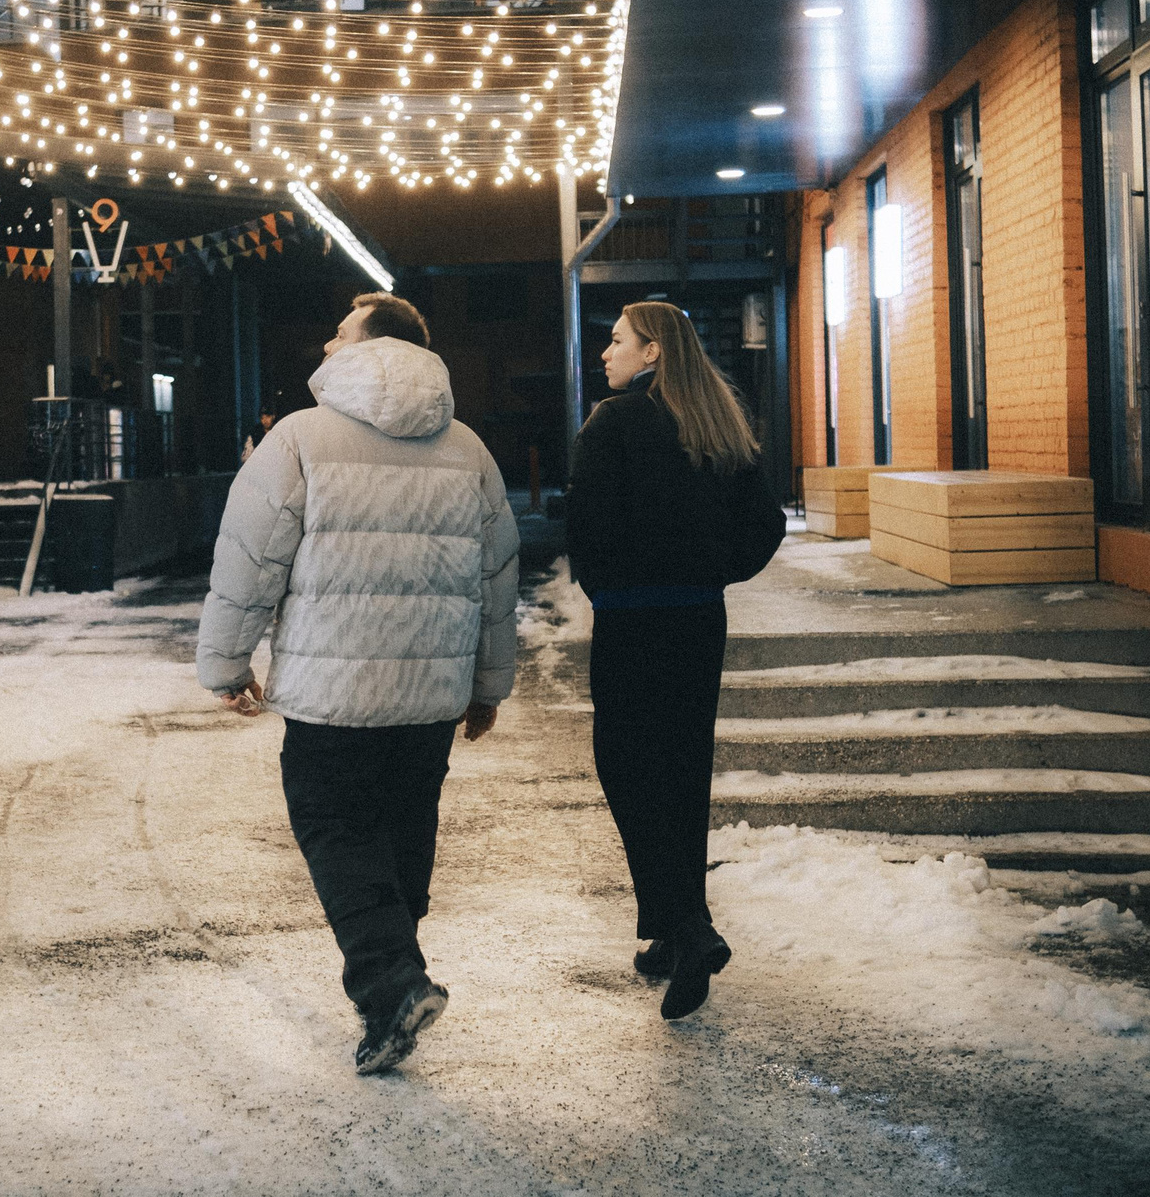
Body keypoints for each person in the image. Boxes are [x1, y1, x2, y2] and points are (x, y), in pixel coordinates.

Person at [198, 292, 520, 1074]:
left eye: (339, 331)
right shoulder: (469, 448)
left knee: (337, 830)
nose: (327, 339)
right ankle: (391, 989)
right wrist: (487, 685)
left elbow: (251, 557)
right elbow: (498, 577)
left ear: (370, 344)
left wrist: (226, 663)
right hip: (430, 697)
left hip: (330, 694)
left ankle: (391, 979)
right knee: (403, 831)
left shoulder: (298, 439)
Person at [566, 301, 787, 1020]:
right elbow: (765, 522)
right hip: (697, 619)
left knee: (628, 770)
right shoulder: (717, 420)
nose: (607, 352)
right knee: (682, 772)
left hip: (633, 621)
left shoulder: (613, 422)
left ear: (654, 350)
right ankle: (670, 928)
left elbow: (587, 526)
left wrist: (612, 583)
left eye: (618, 338)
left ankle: (688, 928)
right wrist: (712, 569)